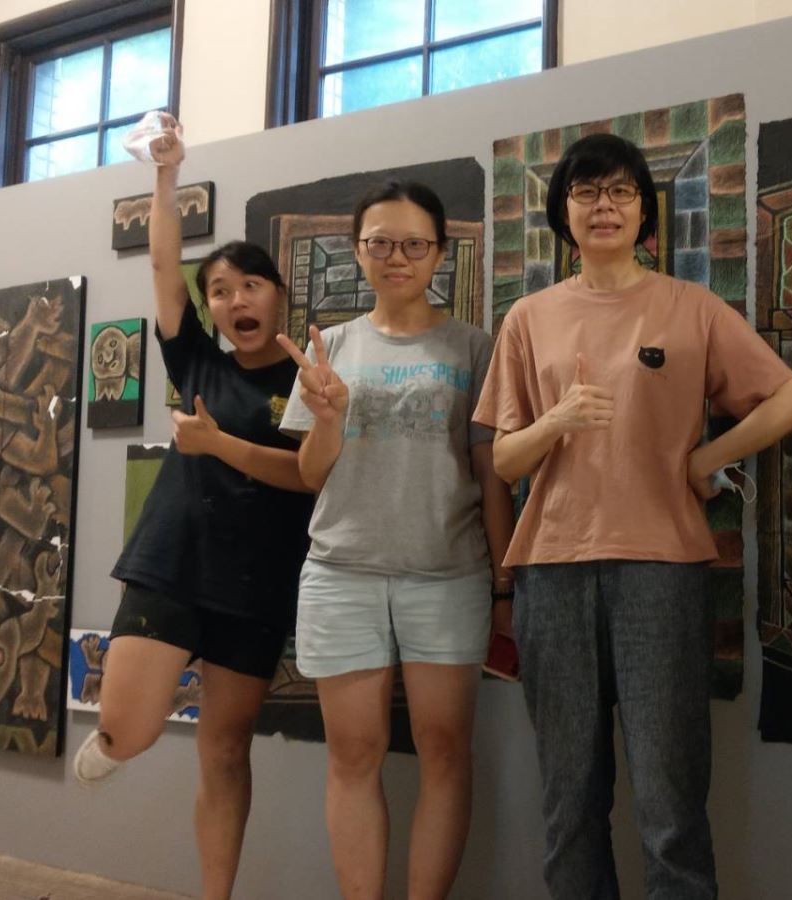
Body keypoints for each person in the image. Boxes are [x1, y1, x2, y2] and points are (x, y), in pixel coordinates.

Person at [474, 132, 792, 900]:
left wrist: (704, 458)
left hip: (663, 567)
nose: (605, 205)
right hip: (552, 571)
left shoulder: (690, 308)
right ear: (563, 211)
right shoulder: (529, 318)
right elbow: (505, 461)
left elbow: (790, 400)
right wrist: (557, 420)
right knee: (569, 799)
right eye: (587, 191)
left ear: (644, 211)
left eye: (621, 191)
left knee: (670, 799)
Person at [74, 115, 316, 900]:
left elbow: (311, 477)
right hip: (173, 561)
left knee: (224, 750)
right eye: (220, 290)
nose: (236, 298)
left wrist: (219, 445)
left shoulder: (312, 378)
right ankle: (115, 740)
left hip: (258, 582)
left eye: (251, 285)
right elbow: (162, 262)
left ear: (277, 296)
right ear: (208, 307)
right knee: (128, 731)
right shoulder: (197, 361)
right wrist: (166, 174)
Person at [275, 180, 514, 900]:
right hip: (341, 572)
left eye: (414, 243)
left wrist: (504, 584)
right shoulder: (332, 347)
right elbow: (311, 475)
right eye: (380, 243)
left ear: (439, 252)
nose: (397, 257)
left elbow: (492, 474)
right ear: (358, 251)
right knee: (353, 754)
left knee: (444, 751)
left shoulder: (473, 346)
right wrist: (327, 419)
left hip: (447, 573)